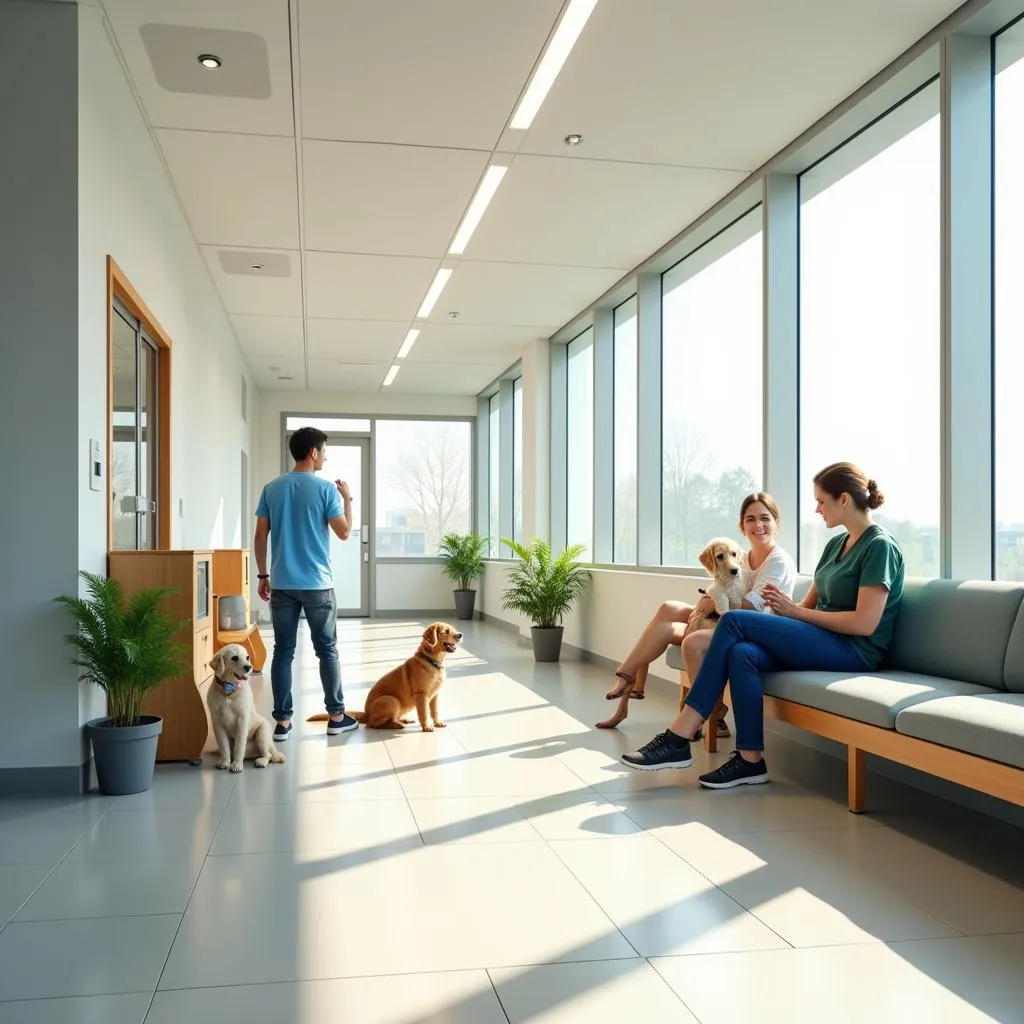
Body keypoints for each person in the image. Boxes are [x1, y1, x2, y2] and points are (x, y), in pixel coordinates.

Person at [621, 462, 905, 789]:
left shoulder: (879, 546)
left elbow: (865, 623)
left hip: (855, 650)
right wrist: (789, 613)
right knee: (742, 653)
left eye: (821, 501)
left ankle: (680, 735)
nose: (816, 509)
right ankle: (750, 760)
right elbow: (807, 606)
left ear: (844, 500)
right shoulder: (835, 546)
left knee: (734, 619)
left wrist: (794, 614)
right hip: (823, 639)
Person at [598, 492, 796, 730]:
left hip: (756, 630)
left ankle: (705, 709)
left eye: (765, 518)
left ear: (777, 523)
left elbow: (750, 608)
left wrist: (711, 602)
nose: (758, 525)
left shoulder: (778, 561)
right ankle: (631, 679)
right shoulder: (743, 555)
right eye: (750, 519)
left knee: (669, 629)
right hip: (730, 619)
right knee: (668, 608)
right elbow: (726, 587)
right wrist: (709, 599)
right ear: (742, 526)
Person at [254, 425, 359, 742]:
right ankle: (336, 717)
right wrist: (348, 500)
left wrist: (262, 575)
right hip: (317, 585)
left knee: (283, 651)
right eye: (324, 451)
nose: (325, 457)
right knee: (327, 651)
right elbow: (343, 533)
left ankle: (283, 723)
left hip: (282, 583)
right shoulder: (327, 490)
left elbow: (261, 535)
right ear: (313, 452)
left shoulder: (271, 489)